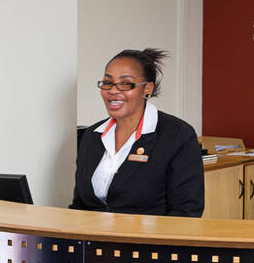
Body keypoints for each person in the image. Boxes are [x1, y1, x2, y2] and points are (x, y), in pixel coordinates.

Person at [71, 48, 204, 216]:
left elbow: (187, 212)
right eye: (107, 82)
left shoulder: (178, 136)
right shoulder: (92, 135)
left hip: (149, 241)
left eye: (125, 84)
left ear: (147, 88)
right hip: (94, 240)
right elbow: (80, 205)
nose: (113, 90)